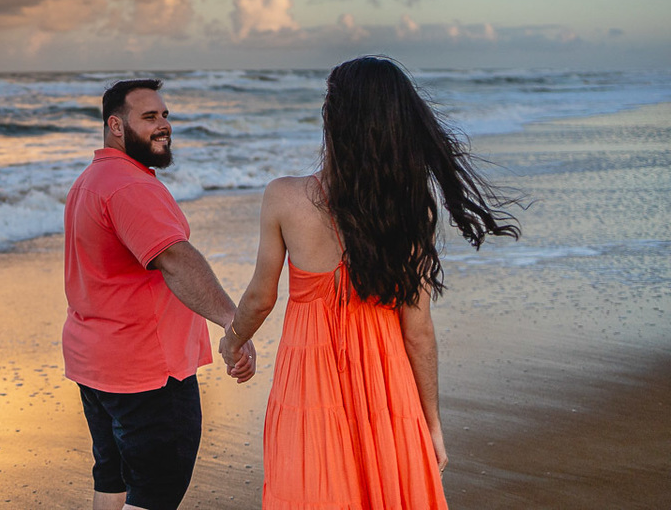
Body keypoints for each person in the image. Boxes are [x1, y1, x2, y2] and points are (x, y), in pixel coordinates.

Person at [219, 56, 520, 509]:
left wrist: (233, 341)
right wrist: (431, 423)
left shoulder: (284, 197)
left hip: (310, 382)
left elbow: (262, 297)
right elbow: (418, 332)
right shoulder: (409, 211)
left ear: (334, 119)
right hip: (386, 384)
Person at [63, 78, 256, 510]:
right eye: (149, 117)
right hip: (146, 372)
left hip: (97, 367)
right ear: (116, 126)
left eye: (165, 115)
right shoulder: (132, 186)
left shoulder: (89, 181)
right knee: (154, 492)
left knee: (112, 480)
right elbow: (174, 258)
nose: (163, 125)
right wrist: (233, 322)